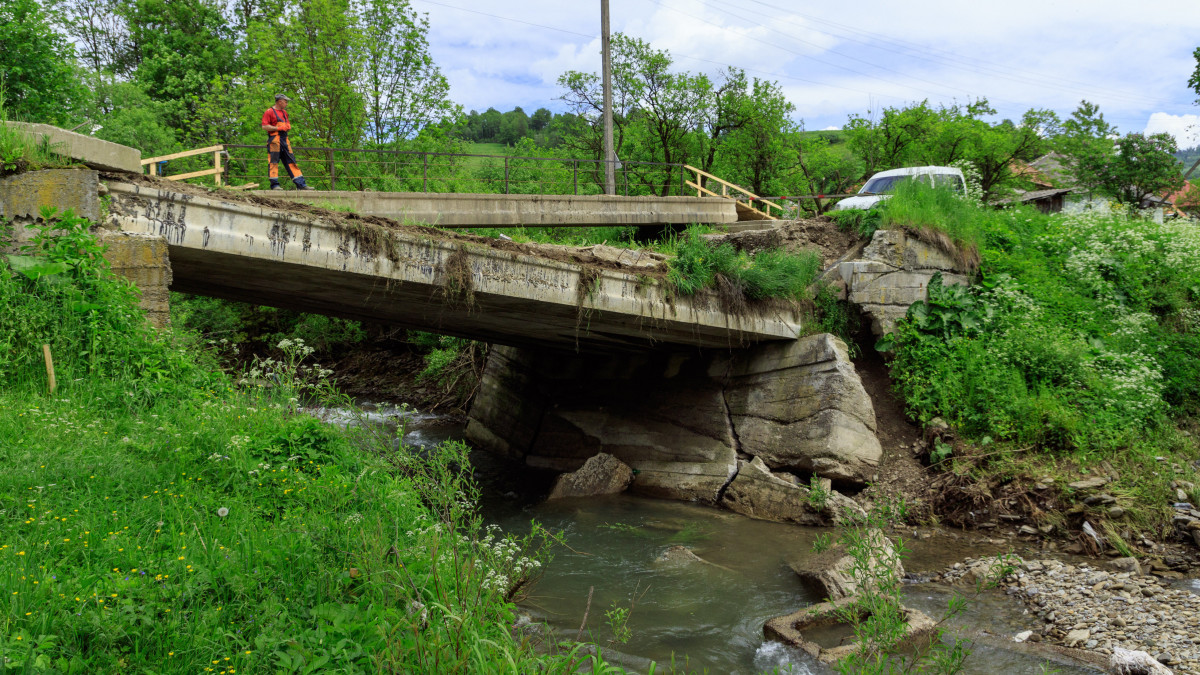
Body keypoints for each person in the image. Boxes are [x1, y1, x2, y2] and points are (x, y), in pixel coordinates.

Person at [262, 94, 312, 190]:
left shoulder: (285, 113)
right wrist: (278, 128)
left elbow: (287, 124)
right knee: (273, 162)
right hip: (274, 140)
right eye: (286, 101)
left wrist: (287, 126)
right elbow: (264, 126)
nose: (287, 104)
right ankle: (275, 185)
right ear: (280, 101)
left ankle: (301, 184)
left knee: (291, 161)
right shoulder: (269, 112)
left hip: (285, 140)